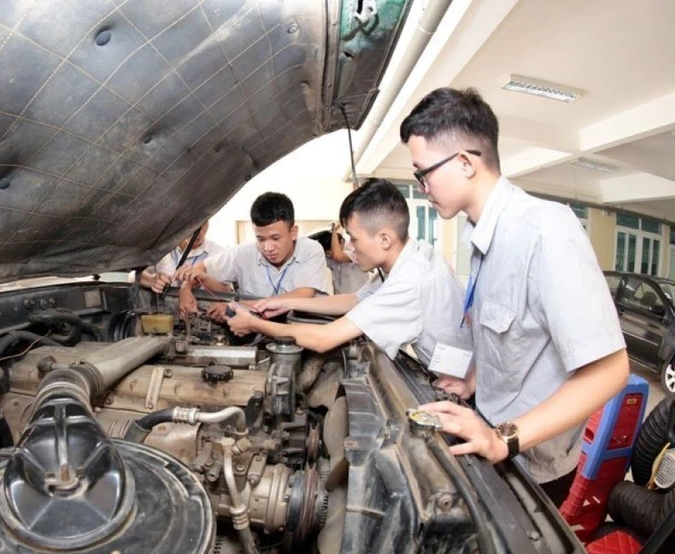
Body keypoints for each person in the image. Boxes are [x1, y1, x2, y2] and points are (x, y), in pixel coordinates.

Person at [398, 87, 628, 504]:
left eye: (423, 172)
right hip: (491, 432)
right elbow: (512, 336)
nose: (423, 186)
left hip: (529, 463)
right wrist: (473, 381)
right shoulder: (480, 234)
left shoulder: (545, 232)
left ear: (465, 162)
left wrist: (503, 438)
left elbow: (610, 371)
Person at [225, 179, 467, 373]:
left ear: (384, 238)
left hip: (453, 378)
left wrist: (256, 324)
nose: (348, 248)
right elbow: (354, 300)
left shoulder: (409, 282)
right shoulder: (413, 255)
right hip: (457, 369)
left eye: (354, 238)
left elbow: (324, 339)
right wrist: (282, 301)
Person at [176, 192, 330, 320]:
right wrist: (185, 289)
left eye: (275, 238)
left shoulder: (311, 250)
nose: (268, 248)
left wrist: (236, 307)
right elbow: (201, 267)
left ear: (293, 232)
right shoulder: (245, 252)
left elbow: (302, 296)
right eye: (261, 239)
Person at [139, 221, 225, 294]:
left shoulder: (219, 253)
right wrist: (151, 280)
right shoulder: (161, 248)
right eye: (191, 225)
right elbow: (135, 276)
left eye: (204, 224)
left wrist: (205, 279)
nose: (199, 232)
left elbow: (227, 291)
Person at [309, 226, 368, 295]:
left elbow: (337, 255)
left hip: (360, 300)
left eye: (331, 251)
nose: (331, 255)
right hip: (342, 301)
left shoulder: (352, 253)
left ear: (342, 242)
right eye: (327, 253)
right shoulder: (329, 259)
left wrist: (334, 231)